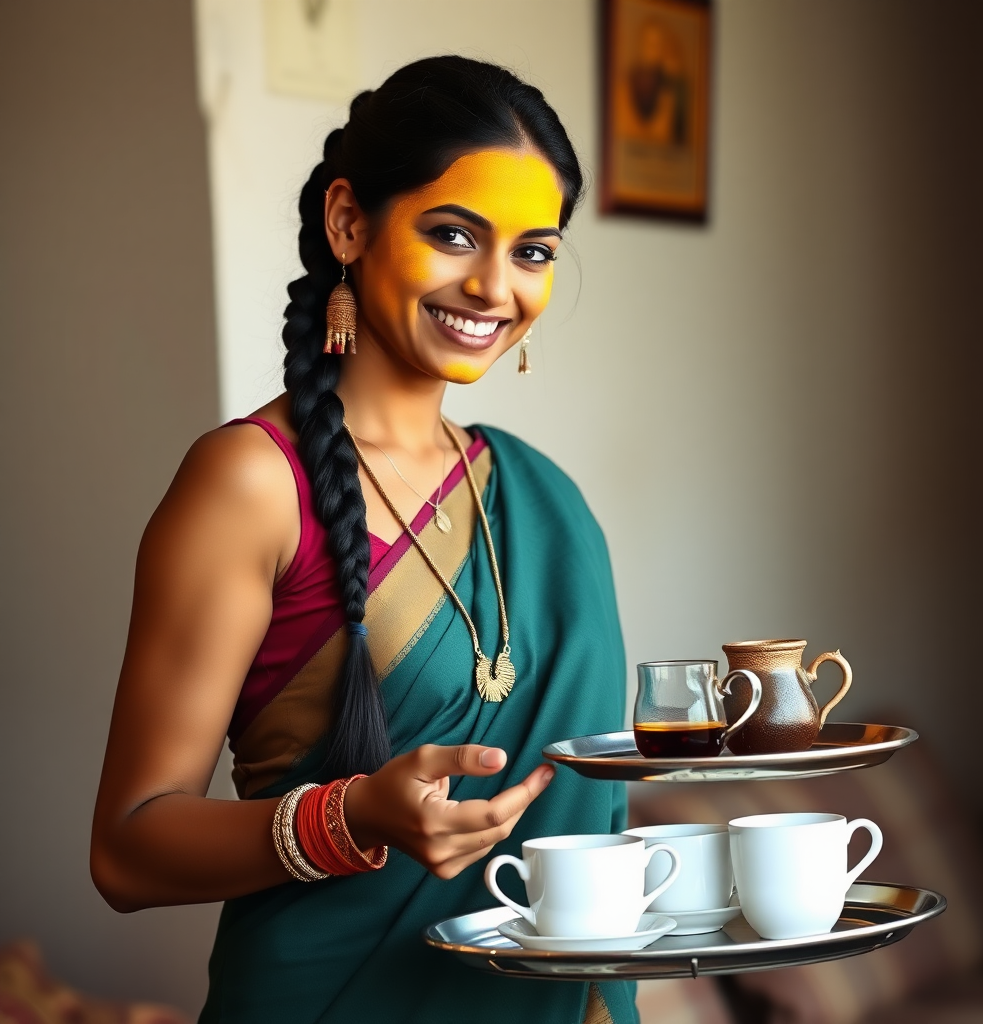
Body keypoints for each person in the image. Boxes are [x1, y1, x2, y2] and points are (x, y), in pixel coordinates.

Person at [91, 56, 633, 1024]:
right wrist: (352, 818)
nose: (493, 286)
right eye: (452, 234)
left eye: (532, 251)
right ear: (349, 221)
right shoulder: (252, 481)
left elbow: (592, 816)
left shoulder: (542, 498)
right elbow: (127, 852)